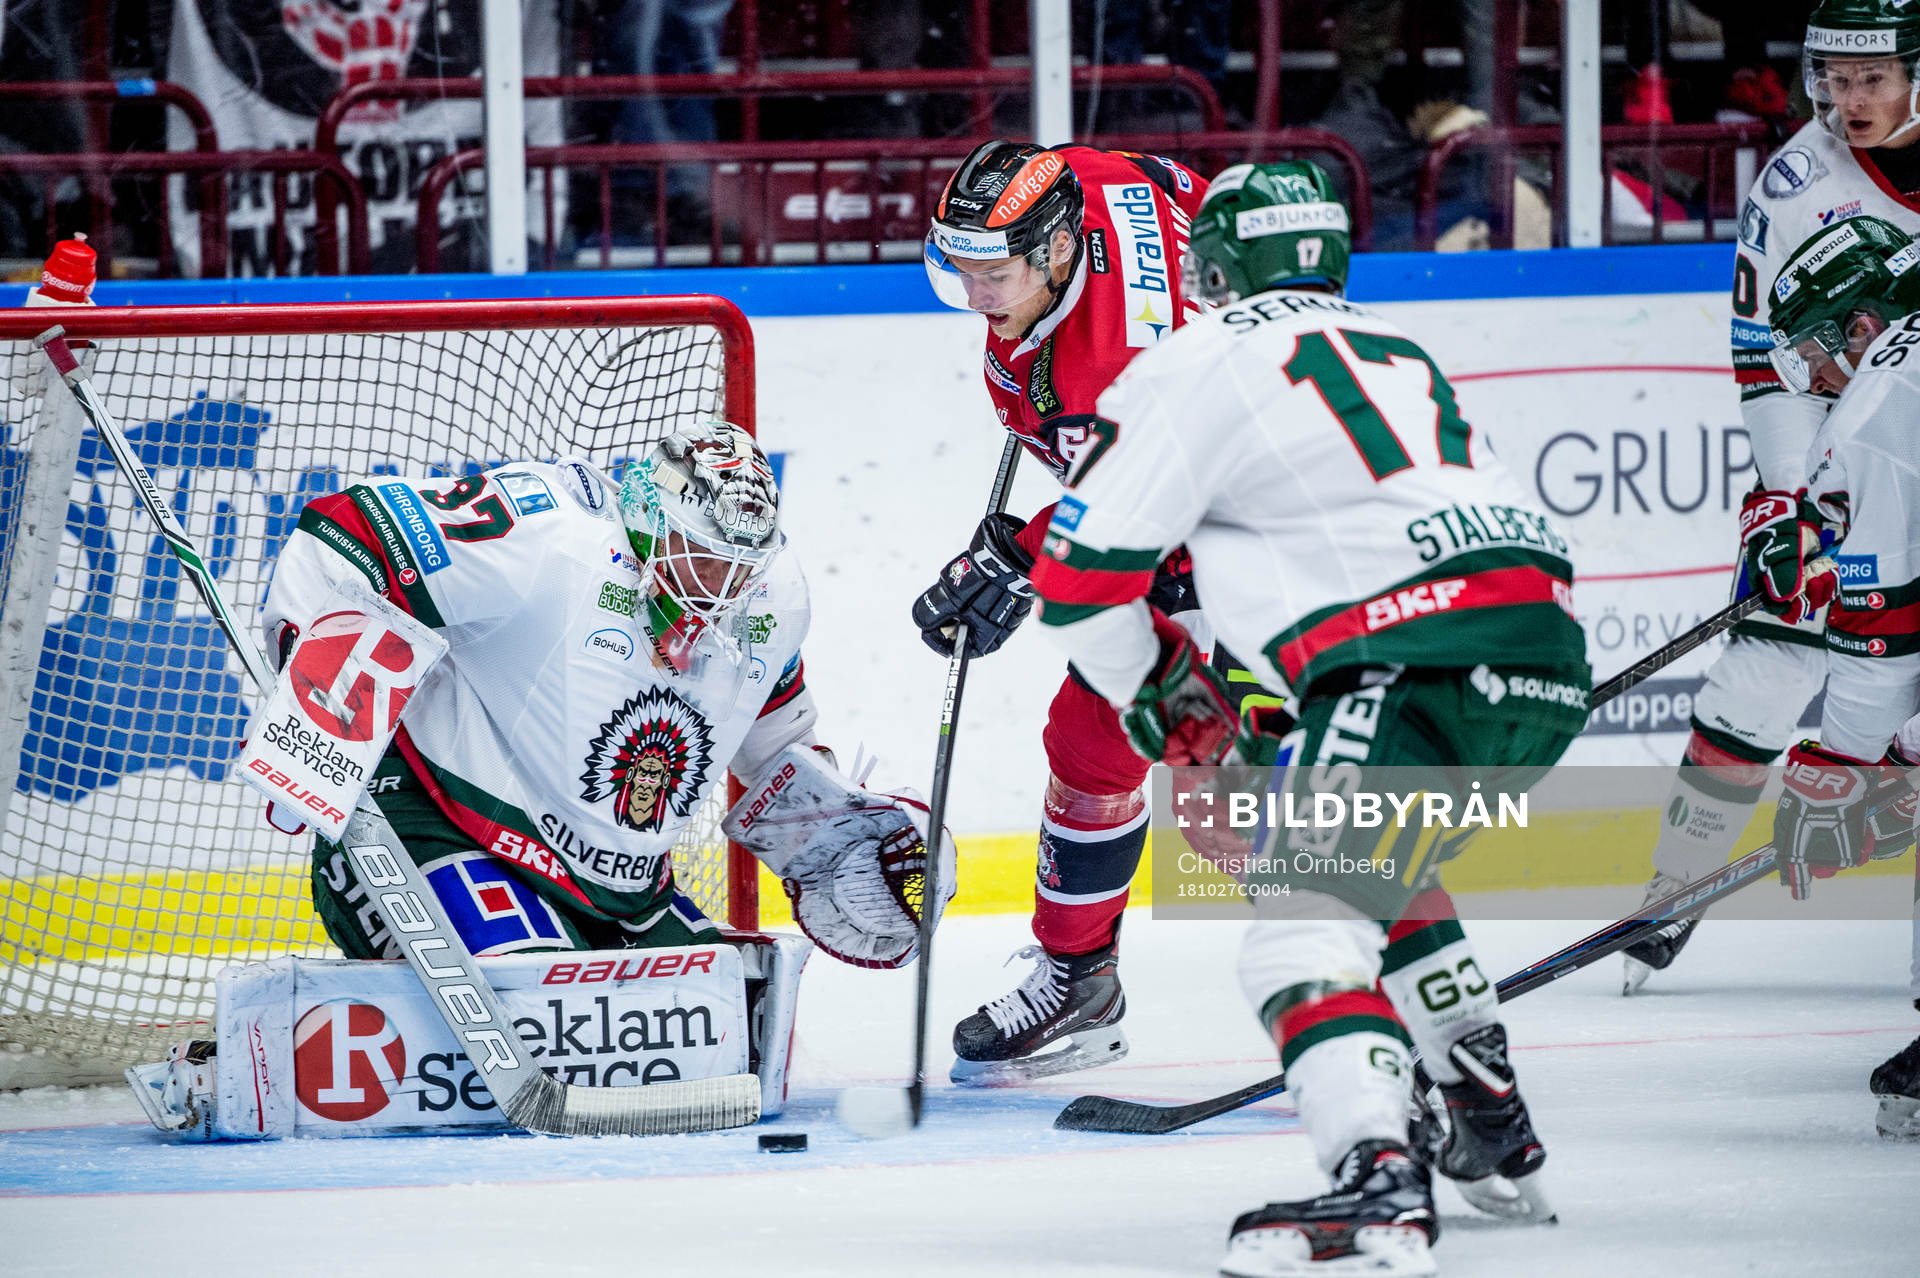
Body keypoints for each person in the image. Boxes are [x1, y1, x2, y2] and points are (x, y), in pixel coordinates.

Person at [1029, 161, 1590, 1276]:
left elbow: (1080, 577)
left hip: (1402, 661)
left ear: (1217, 265)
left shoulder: (1200, 355)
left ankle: (1377, 1189)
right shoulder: (1392, 345)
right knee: (1384, 876)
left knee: (1300, 924)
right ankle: (1491, 1123)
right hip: (1543, 654)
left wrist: (1173, 707)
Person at [270, 423, 947, 970]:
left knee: (732, 1017)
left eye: (744, 564)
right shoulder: (551, 541)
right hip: (435, 825)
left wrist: (833, 829)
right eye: (704, 554)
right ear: (649, 523)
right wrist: (311, 721)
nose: (724, 583)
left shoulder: (774, 595)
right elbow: (346, 530)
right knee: (538, 1002)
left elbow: (771, 743)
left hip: (615, 894)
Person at [1627, 0, 1920, 994]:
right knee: (1769, 661)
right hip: (1858, 451)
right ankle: (1674, 882)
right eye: (1834, 78)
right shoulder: (1797, 183)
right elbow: (1766, 358)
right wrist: (1789, 501)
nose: (1849, 100)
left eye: (1873, 78)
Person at [915, 138, 1210, 1085]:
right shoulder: (1077, 177)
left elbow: (1134, 501)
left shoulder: (1115, 361)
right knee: (1089, 742)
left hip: (1260, 538)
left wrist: (1015, 557)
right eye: (958, 268)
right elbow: (1169, 179)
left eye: (992, 275)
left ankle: (1390, 982)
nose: (974, 296)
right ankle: (1079, 982)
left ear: (1053, 254)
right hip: (1196, 489)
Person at [1753, 215, 1920, 1139]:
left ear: (1864, 324)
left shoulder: (1876, 404)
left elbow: (1883, 633)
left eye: (1817, 347)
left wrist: (1843, 768)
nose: (1812, 378)